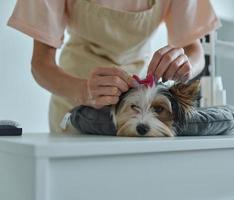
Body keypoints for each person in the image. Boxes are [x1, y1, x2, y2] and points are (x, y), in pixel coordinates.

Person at [8, 0, 221, 134]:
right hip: (75, 106)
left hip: (136, 111)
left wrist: (184, 64)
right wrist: (83, 91)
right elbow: (41, 66)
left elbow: (195, 52)